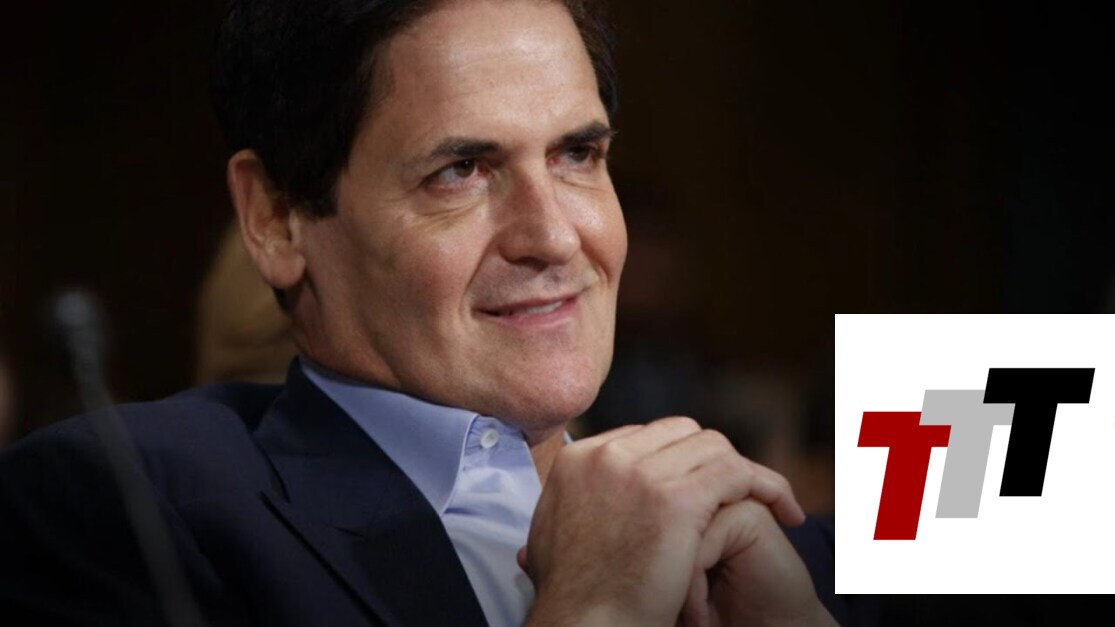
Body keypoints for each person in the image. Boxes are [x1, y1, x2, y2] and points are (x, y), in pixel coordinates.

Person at [0, 1, 871, 625]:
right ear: (275, 216)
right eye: (461, 171)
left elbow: (964, 441)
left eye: (578, 153)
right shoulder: (120, 503)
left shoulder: (781, 537)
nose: (552, 236)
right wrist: (597, 608)